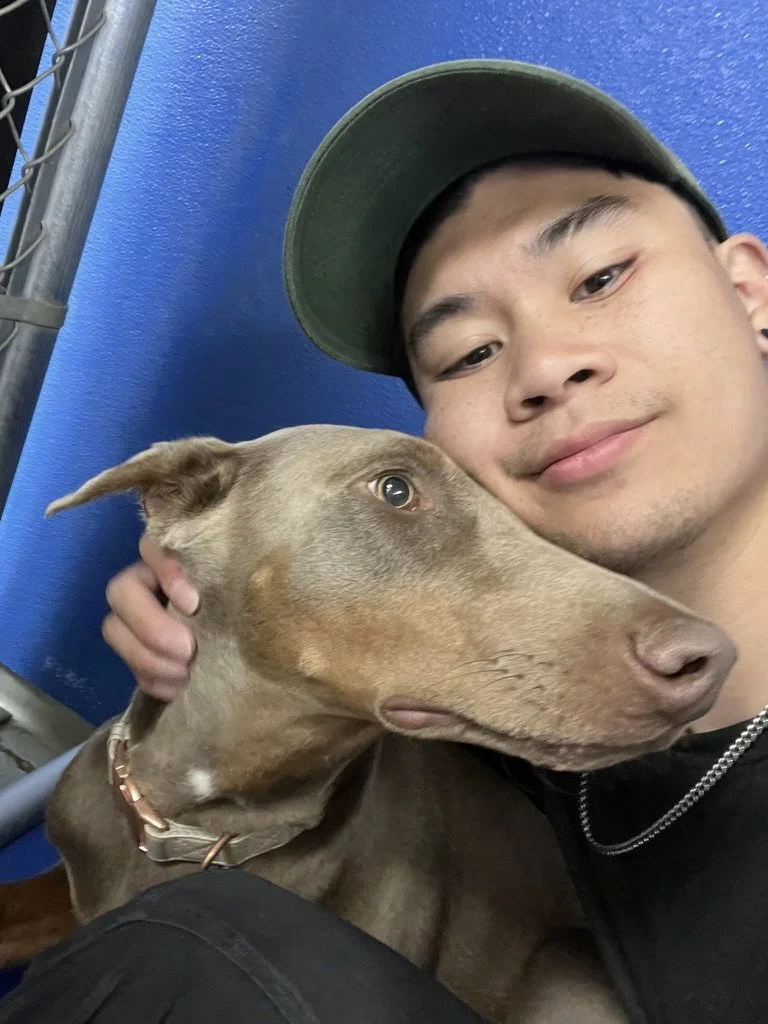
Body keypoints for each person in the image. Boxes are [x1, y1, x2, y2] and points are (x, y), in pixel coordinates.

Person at [5, 59, 768, 1023]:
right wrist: (230, 609)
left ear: (750, 290)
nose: (544, 366)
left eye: (601, 278)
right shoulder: (462, 711)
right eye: (468, 353)